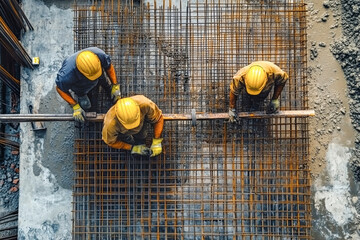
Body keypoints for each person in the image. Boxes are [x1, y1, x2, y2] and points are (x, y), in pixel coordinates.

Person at [55, 47, 121, 123]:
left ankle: (107, 87)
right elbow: (59, 89)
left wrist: (115, 85)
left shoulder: (99, 54)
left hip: (99, 74)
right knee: (86, 105)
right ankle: (82, 96)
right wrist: (75, 106)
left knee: (103, 80)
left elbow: (109, 67)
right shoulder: (67, 75)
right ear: (81, 72)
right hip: (80, 86)